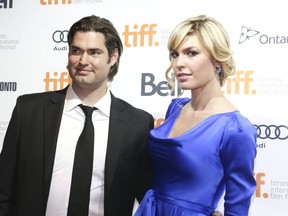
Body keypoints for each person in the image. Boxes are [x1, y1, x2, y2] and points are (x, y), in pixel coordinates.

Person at [0, 15, 154, 216]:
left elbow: (148, 195)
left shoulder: (138, 124)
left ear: (113, 57)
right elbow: (4, 189)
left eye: (94, 52)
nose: (83, 61)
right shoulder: (29, 110)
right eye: (76, 51)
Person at [134, 15, 257, 216]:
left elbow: (238, 205)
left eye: (191, 53)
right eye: (175, 54)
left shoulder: (236, 129)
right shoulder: (175, 107)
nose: (178, 63)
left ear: (217, 59)